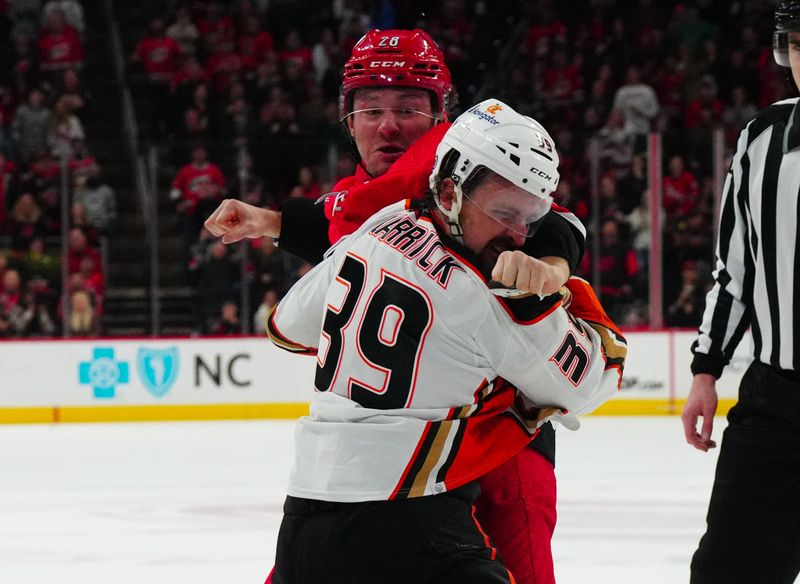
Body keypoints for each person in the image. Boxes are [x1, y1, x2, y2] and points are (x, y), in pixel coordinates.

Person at [206, 29, 588, 584]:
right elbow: (346, 227)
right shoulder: (361, 203)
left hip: (494, 443)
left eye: (408, 108)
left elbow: (550, 221)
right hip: (379, 465)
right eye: (370, 109)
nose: (388, 125)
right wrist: (271, 221)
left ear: (442, 119)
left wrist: (550, 266)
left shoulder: (462, 178)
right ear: (348, 118)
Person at [267, 101, 626, 584]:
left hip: (302, 530)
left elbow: (287, 326)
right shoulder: (492, 296)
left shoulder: (379, 227)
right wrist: (568, 291)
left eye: (532, 216)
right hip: (409, 531)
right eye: (503, 213)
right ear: (452, 191)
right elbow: (591, 382)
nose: (519, 237)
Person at [681, 3, 800, 582]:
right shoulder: (761, 139)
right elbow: (736, 270)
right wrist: (706, 370)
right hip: (776, 407)